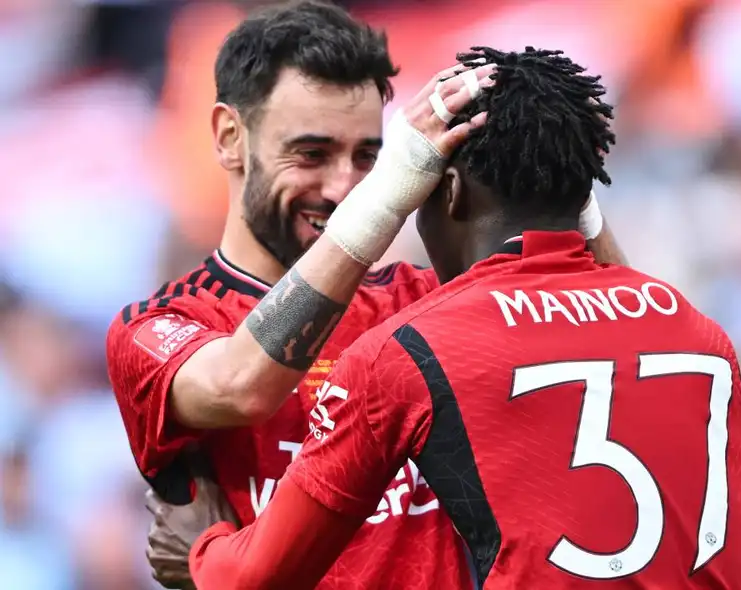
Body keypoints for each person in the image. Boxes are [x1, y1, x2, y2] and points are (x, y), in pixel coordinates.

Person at [178, 45, 741, 590]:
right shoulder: (699, 333)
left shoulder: (410, 353)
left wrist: (200, 545)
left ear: (446, 190)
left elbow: (253, 578)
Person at [105, 1, 627, 588]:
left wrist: (564, 176)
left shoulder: (428, 299)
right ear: (230, 138)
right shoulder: (159, 325)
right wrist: (382, 201)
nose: (344, 188)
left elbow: (620, 337)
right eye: (311, 154)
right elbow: (240, 386)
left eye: (370, 159)